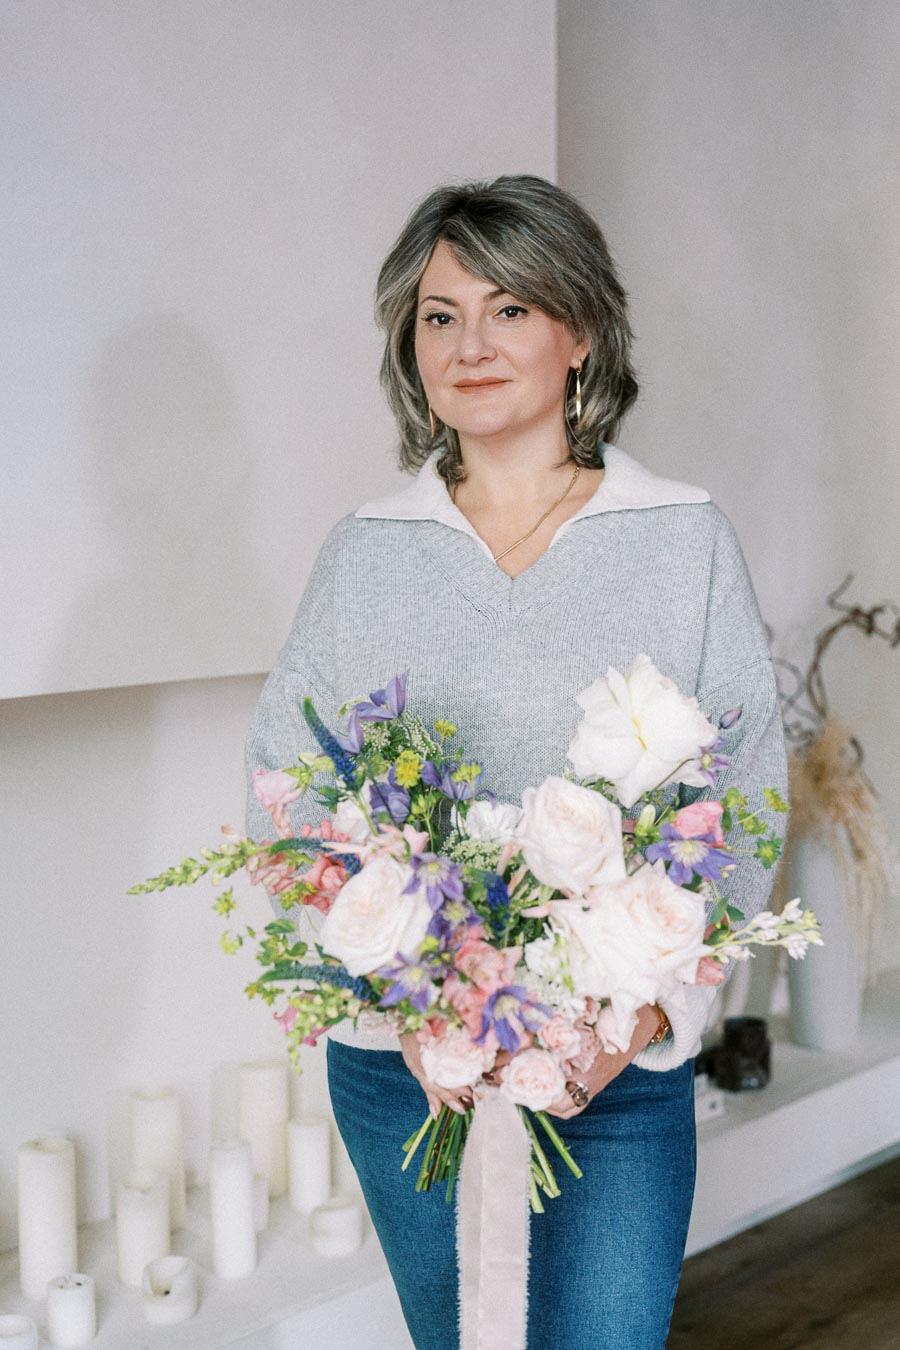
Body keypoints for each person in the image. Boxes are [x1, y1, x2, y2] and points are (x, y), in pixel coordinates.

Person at [245, 174, 788, 1349]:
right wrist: (413, 1008)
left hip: (615, 1072)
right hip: (406, 1075)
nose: (471, 346)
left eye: (510, 309)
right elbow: (287, 792)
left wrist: (629, 1026)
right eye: (440, 316)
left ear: (580, 330)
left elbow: (746, 797)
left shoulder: (682, 537)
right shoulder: (366, 555)